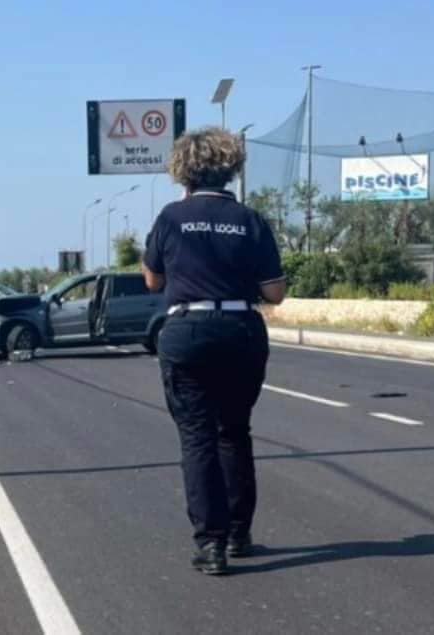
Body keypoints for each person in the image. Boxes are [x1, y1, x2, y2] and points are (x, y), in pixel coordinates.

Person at [142, 127, 286, 575]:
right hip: (241, 330)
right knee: (235, 431)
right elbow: (275, 292)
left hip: (188, 330)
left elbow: (153, 280)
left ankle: (211, 544)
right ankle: (240, 533)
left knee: (197, 437)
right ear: (230, 169)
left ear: (183, 171)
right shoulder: (249, 219)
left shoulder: (170, 218)